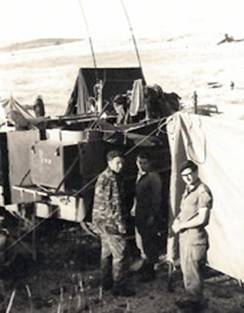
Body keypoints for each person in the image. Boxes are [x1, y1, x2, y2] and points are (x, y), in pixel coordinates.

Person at [172, 160, 213, 311]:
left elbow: (203, 218)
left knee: (194, 274)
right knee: (187, 272)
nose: (187, 178)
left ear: (196, 172)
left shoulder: (202, 192)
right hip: (185, 237)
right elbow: (186, 212)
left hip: (195, 239)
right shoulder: (188, 189)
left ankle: (196, 305)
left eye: (190, 174)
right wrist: (177, 221)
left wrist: (181, 226)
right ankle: (192, 300)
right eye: (184, 176)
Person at [92, 150, 134, 297]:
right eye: (117, 162)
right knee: (121, 254)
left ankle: (106, 282)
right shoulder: (112, 179)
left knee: (107, 253)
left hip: (101, 222)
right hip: (111, 223)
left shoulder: (104, 176)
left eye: (122, 162)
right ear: (109, 162)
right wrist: (121, 225)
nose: (120, 165)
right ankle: (119, 286)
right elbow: (114, 204)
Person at [131, 152, 162, 282]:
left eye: (144, 163)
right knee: (141, 242)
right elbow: (136, 195)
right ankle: (144, 267)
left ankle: (150, 272)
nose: (141, 165)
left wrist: (152, 215)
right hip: (139, 213)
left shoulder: (153, 177)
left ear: (150, 163)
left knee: (149, 243)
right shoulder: (140, 175)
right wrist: (134, 207)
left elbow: (157, 198)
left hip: (148, 214)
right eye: (139, 162)